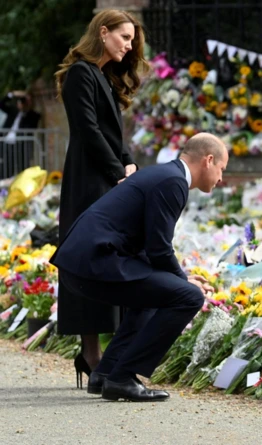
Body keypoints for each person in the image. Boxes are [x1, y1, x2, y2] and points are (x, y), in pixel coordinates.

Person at [50, 133, 228, 402]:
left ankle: (106, 373)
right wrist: (183, 282)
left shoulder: (166, 175)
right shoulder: (174, 182)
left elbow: (150, 246)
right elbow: (159, 248)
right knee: (189, 297)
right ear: (209, 160)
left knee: (160, 294)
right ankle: (123, 378)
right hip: (94, 262)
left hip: (81, 263)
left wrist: (178, 279)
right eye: (222, 170)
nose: (221, 178)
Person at [53, 9, 149, 383]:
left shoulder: (104, 78)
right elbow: (88, 132)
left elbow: (113, 138)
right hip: (88, 183)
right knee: (88, 261)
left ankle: (107, 357)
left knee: (112, 261)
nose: (129, 46)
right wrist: (117, 173)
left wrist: (129, 166)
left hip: (108, 180)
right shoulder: (81, 73)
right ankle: (92, 356)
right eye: (125, 37)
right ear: (103, 32)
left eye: (131, 40)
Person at [0, 91, 41, 179]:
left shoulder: (33, 115)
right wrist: (12, 94)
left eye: (26, 101)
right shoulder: (13, 111)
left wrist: (26, 110)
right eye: (22, 101)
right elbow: (1, 104)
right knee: (6, 168)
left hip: (21, 145)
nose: (23, 103)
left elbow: (31, 128)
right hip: (6, 143)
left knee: (22, 169)